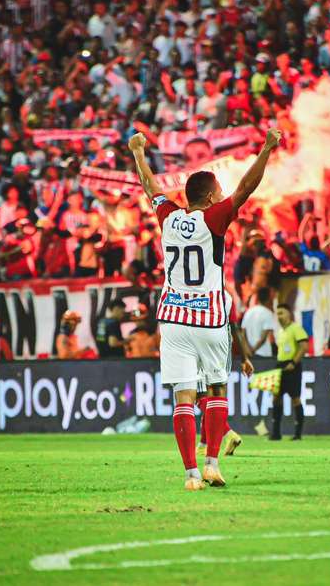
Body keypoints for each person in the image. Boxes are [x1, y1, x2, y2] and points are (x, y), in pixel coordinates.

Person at [129, 127, 282, 490]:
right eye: (220, 192)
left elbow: (151, 187)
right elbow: (246, 188)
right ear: (212, 196)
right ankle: (212, 463)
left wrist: (138, 152)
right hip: (210, 318)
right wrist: (266, 149)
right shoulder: (213, 219)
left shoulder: (169, 216)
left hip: (174, 319)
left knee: (183, 396)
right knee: (216, 390)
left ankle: (191, 474)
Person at [198, 294, 253, 457]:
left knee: (201, 395)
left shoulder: (197, 291)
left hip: (200, 344)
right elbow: (234, 328)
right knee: (213, 395)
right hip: (223, 347)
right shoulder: (226, 297)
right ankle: (203, 445)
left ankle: (228, 434)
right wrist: (244, 358)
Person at [271, 304, 309, 441]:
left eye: (281, 313)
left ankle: (298, 434)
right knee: (276, 397)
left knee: (295, 398)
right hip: (280, 365)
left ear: (289, 314)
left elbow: (304, 346)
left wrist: (293, 362)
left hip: (292, 366)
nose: (279, 316)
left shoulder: (296, 328)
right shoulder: (280, 331)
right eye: (277, 313)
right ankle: (276, 433)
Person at [241, 286, 275, 357]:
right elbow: (263, 338)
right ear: (269, 299)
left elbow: (243, 334)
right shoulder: (268, 313)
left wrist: (248, 350)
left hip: (249, 354)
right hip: (263, 353)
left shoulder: (248, 312)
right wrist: (253, 350)